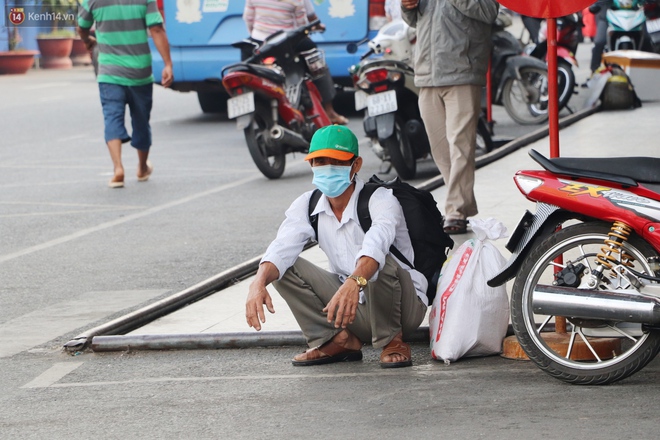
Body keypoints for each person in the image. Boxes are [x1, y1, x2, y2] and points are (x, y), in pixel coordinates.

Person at [245, 125, 428, 368]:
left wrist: (355, 281)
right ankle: (338, 339)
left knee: (376, 263)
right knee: (282, 266)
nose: (327, 167)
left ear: (356, 165)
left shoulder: (380, 199)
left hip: (403, 308)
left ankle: (392, 340)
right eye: (320, 161)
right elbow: (281, 247)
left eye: (336, 161)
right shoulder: (307, 205)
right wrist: (257, 283)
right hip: (350, 307)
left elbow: (376, 244)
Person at [401, 0, 499, 235]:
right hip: (427, 74)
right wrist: (407, 7)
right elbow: (412, 21)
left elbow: (489, 12)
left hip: (462, 72)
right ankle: (461, 203)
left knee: (460, 145)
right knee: (440, 148)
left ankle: (456, 210)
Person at [77, 0, 173, 188]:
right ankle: (143, 167)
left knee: (112, 117)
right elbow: (157, 29)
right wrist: (168, 64)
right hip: (140, 72)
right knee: (141, 120)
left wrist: (88, 41)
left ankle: (118, 168)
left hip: (110, 73)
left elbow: (82, 28)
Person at [243, 0, 348, 125]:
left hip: (260, 41)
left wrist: (259, 39)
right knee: (317, 65)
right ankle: (329, 111)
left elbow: (248, 19)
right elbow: (302, 25)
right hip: (287, 42)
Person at [588, 0, 613, 75]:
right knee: (599, 42)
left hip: (632, 17)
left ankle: (648, 67)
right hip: (607, 17)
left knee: (645, 39)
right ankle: (594, 72)